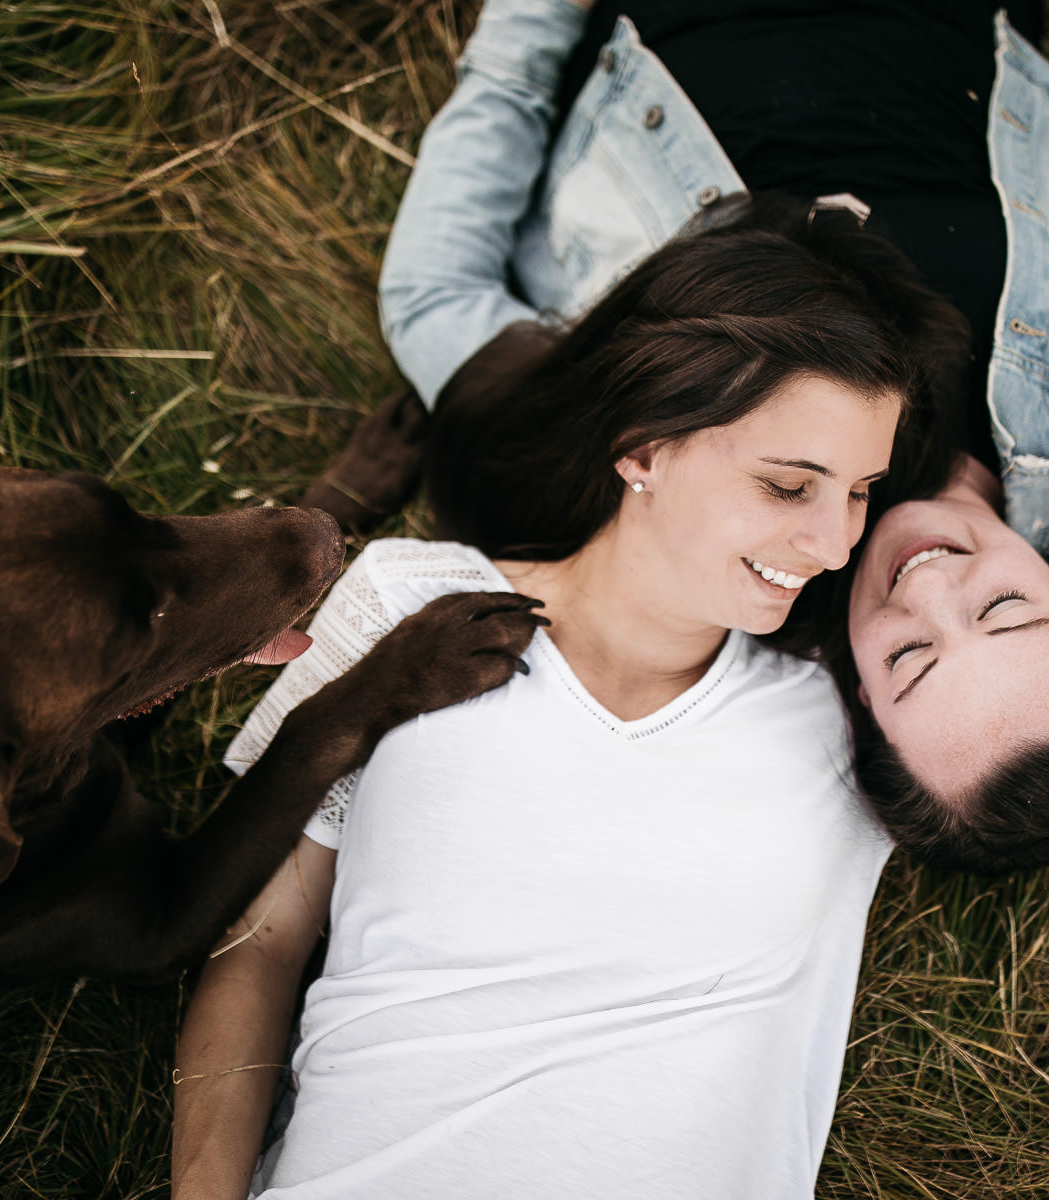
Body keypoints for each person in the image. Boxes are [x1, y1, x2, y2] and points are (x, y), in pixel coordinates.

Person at [351, 0, 1049, 868]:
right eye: (1008, 612)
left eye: (913, 661)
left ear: (859, 712)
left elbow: (431, 299)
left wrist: (534, 20)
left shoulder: (738, 536)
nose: (928, 585)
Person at [172, 197, 966, 1199]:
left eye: (860, 490)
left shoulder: (851, 703)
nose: (836, 544)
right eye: (785, 485)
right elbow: (258, 939)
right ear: (641, 446)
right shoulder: (406, 602)